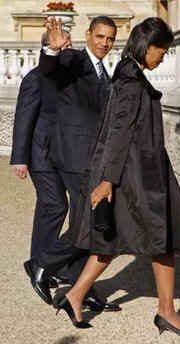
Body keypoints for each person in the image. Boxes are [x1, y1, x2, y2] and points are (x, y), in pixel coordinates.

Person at [50, 17, 180, 336]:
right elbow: (118, 133)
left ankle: (76, 296)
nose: (163, 56)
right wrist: (107, 181)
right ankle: (166, 311)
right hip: (137, 177)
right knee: (162, 240)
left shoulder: (127, 75)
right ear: (148, 46)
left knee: (114, 240)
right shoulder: (131, 82)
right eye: (162, 50)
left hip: (135, 173)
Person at [11, 28, 120, 312]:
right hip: (42, 153)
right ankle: (42, 264)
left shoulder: (76, 71)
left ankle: (55, 269)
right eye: (62, 44)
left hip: (68, 151)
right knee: (55, 205)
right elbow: (24, 116)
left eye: (69, 43)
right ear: (49, 47)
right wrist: (19, 157)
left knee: (69, 210)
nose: (68, 48)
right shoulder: (38, 75)